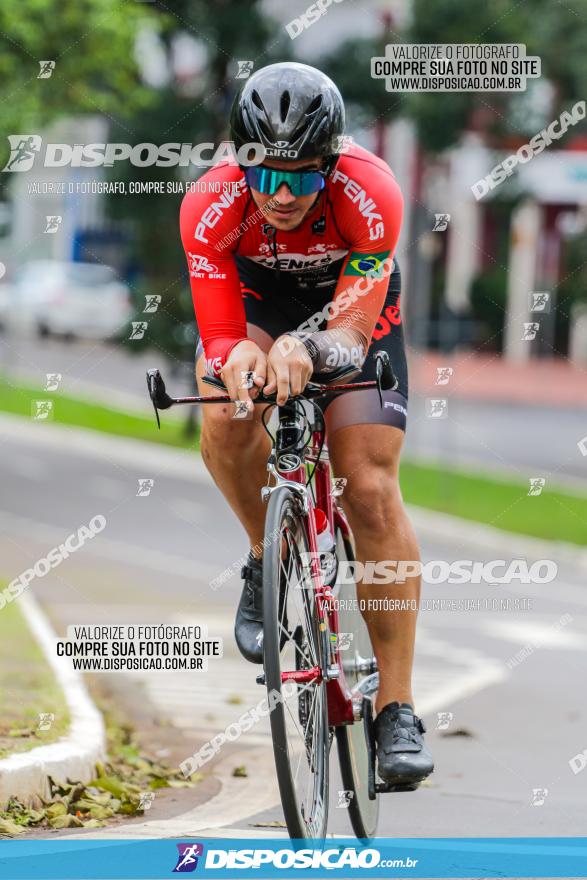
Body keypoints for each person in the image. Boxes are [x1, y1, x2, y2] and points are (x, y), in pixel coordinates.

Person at [180, 61, 433, 789]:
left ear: (330, 164)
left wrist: (311, 346)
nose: (283, 194)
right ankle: (265, 556)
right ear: (240, 163)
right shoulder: (211, 204)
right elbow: (222, 334)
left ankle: (396, 708)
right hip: (258, 300)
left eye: (302, 176)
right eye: (266, 175)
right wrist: (234, 365)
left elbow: (351, 336)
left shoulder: (370, 190)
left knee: (370, 485)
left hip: (353, 312)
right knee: (226, 417)